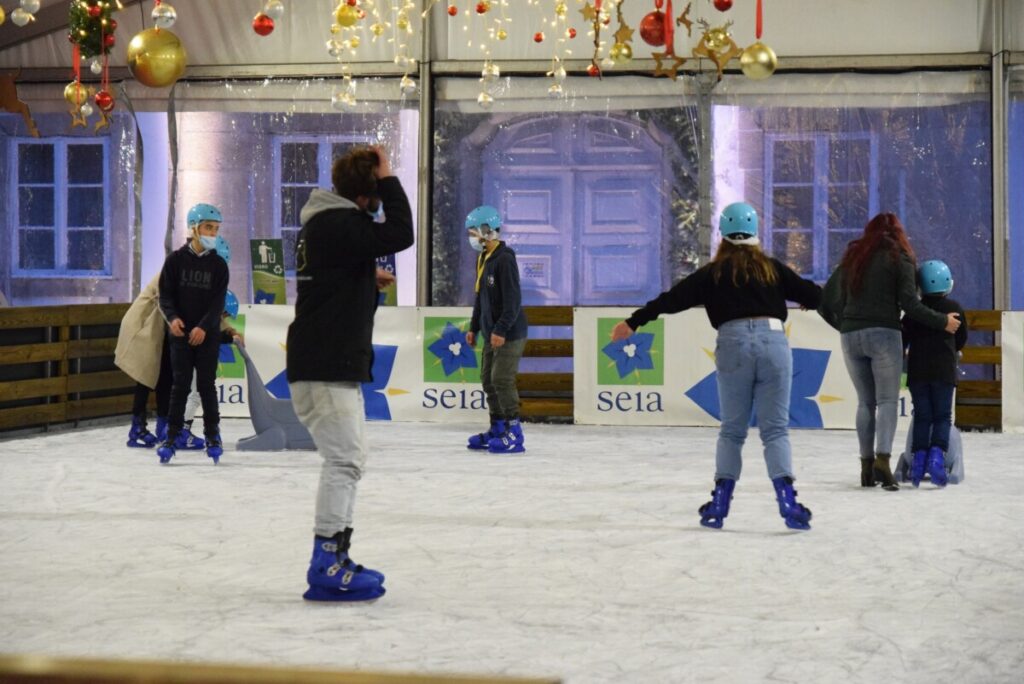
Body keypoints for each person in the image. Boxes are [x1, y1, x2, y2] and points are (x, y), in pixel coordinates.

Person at [611, 202, 822, 531]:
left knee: (732, 431)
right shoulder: (772, 269)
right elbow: (814, 294)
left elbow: (672, 299)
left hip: (733, 342)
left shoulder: (713, 273)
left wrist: (633, 322)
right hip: (773, 343)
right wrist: (809, 299)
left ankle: (719, 505)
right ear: (755, 234)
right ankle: (788, 501)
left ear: (722, 234)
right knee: (776, 429)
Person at [286, 145, 413, 602]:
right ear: (369, 193)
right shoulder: (340, 223)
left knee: (350, 460)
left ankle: (337, 554)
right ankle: (325, 563)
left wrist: (363, 280)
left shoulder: (328, 226)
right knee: (344, 462)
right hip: (325, 364)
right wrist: (391, 178)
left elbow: (333, 279)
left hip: (328, 362)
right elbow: (401, 233)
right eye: (378, 190)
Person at [820, 213, 961, 491]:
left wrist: (845, 324)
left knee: (864, 403)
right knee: (886, 402)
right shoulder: (900, 257)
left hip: (851, 336)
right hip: (884, 334)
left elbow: (826, 300)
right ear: (898, 233)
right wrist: (943, 321)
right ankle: (882, 462)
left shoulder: (853, 256)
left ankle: (865, 466)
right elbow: (910, 303)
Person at [155, 203, 230, 465]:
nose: (213, 232)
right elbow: (165, 296)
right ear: (195, 228)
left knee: (206, 387)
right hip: (180, 336)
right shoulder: (175, 261)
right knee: (180, 387)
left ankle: (213, 435)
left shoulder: (219, 265)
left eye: (216, 229)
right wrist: (173, 319)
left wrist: (203, 327)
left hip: (206, 336)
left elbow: (217, 304)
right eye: (209, 227)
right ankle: (171, 436)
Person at [464, 205, 529, 454]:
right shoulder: (483, 259)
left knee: (501, 379)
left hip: (509, 333)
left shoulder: (505, 259)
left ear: (487, 231)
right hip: (491, 332)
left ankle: (515, 434)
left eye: (473, 232)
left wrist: (500, 330)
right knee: (487, 381)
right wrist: (474, 327)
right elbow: (481, 298)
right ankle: (498, 427)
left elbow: (513, 302)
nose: (471, 237)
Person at [901, 259, 968, 488]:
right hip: (943, 372)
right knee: (942, 416)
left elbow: (903, 338)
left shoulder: (912, 313)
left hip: (918, 373)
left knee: (922, 416)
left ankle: (918, 461)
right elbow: (961, 339)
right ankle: (937, 457)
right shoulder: (956, 309)